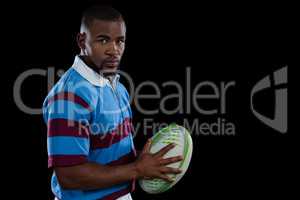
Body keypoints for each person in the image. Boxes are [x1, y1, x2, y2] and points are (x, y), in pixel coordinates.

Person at [43, 5, 182, 200]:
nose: (114, 50)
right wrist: (138, 168)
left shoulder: (115, 85)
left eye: (120, 41)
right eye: (103, 40)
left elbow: (107, 149)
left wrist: (147, 159)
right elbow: (70, 176)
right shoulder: (69, 96)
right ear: (82, 41)